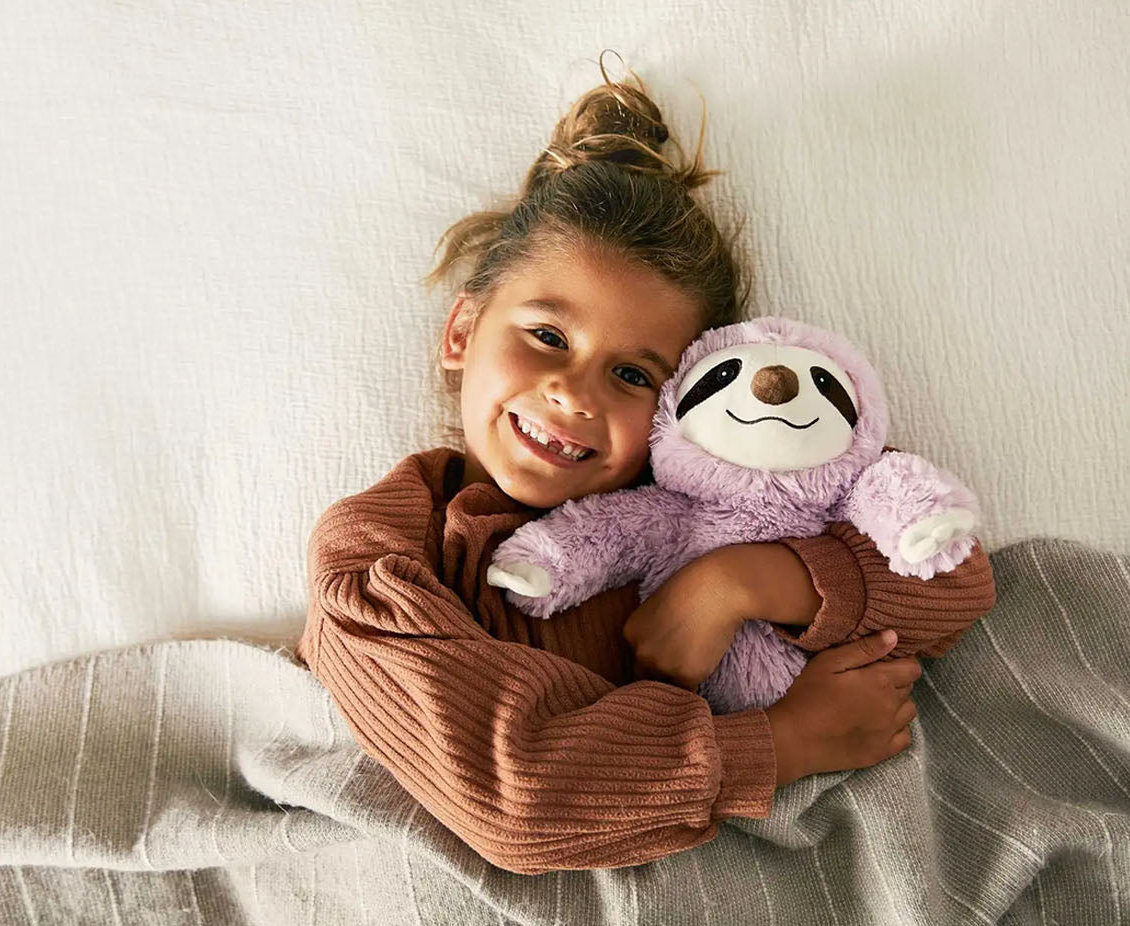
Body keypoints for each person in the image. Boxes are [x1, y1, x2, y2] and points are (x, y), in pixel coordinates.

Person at [294, 53, 997, 876]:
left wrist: (737, 581)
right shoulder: (380, 547)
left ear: (683, 399)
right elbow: (514, 797)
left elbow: (953, 575)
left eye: (633, 375)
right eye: (548, 337)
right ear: (462, 331)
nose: (574, 393)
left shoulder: (710, 500)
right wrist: (779, 743)